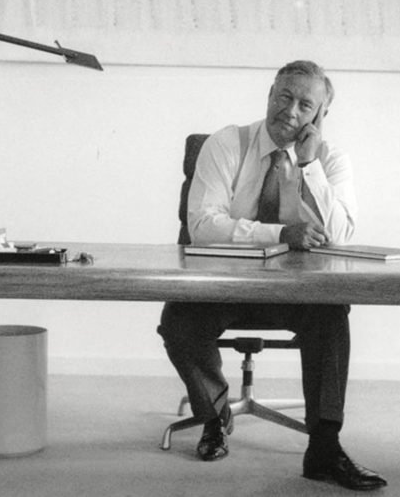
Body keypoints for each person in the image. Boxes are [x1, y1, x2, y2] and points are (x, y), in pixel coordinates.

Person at [158, 60, 387, 491]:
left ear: (320, 115)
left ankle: (324, 448)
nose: (291, 111)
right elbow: (202, 225)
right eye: (284, 97)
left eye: (306, 105)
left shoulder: (332, 160)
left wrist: (308, 165)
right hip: (225, 285)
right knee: (179, 322)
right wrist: (282, 234)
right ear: (269, 94)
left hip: (296, 291)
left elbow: (339, 235)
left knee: (331, 315)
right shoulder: (227, 143)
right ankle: (214, 416)